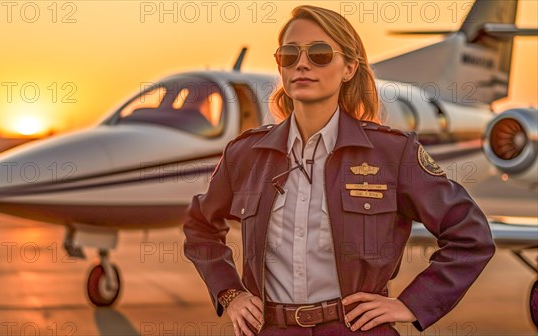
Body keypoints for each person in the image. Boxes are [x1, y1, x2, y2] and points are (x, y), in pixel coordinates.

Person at [183, 5, 495, 336]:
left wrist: (412, 303)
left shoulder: (392, 153)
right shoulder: (245, 154)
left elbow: (470, 235)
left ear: (349, 68)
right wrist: (230, 294)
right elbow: (200, 226)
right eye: (289, 55)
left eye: (319, 53)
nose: (301, 63)